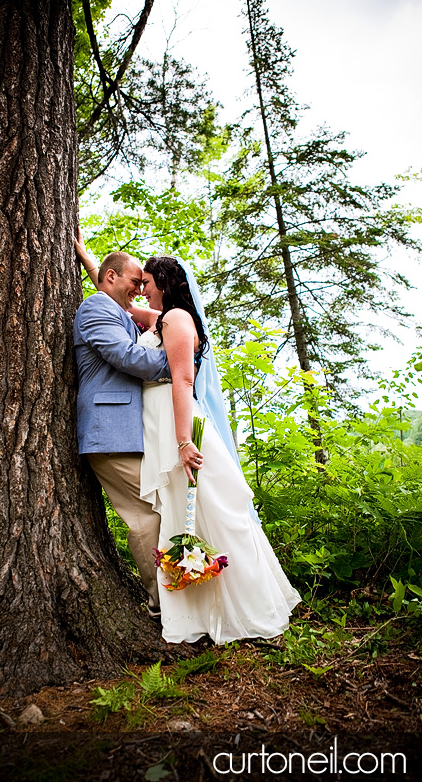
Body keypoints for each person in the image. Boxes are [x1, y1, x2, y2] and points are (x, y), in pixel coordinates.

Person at [76, 235, 300, 643]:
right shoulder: (154, 318)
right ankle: (190, 602)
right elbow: (114, 297)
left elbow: (181, 377)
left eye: (146, 282)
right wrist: (88, 257)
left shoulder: (175, 319)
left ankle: (235, 604)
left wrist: (183, 437)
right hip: (152, 430)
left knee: (208, 513)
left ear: (162, 282)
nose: (140, 289)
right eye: (136, 281)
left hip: (176, 428)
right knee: (173, 514)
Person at [73, 231, 171, 619]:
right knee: (147, 514)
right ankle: (161, 603)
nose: (139, 289)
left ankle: (169, 596)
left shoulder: (114, 307)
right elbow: (129, 358)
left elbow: (114, 284)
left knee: (158, 509)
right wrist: (182, 366)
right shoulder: (97, 308)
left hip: (124, 432)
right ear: (112, 279)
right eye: (135, 281)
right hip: (108, 434)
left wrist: (86, 257)